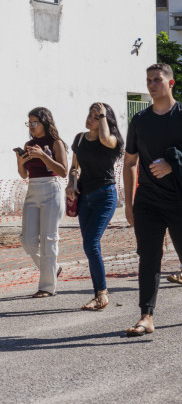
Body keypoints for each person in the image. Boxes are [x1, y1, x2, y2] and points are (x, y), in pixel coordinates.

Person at [123, 63, 182, 336]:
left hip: (180, 200)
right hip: (147, 200)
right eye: (148, 80)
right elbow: (130, 162)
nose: (152, 85)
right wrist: (128, 203)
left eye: (157, 80)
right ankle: (146, 316)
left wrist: (173, 164)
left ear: (170, 83)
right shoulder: (139, 120)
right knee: (148, 257)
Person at [67, 103, 123, 309]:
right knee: (90, 245)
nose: (90, 119)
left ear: (105, 120)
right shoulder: (80, 139)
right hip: (84, 198)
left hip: (105, 196)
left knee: (91, 243)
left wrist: (102, 115)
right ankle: (99, 293)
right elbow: (74, 167)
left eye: (96, 116)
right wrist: (71, 183)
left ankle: (102, 294)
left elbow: (105, 139)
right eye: (90, 115)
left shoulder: (111, 139)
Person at [17, 107, 68, 298]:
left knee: (48, 239)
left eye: (34, 122)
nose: (31, 126)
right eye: (29, 123)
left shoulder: (56, 143)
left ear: (45, 122)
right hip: (33, 189)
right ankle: (54, 268)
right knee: (27, 240)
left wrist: (43, 156)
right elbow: (24, 174)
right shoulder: (28, 144)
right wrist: (20, 161)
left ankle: (47, 287)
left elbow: (63, 171)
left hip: (52, 189)